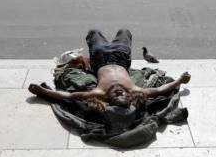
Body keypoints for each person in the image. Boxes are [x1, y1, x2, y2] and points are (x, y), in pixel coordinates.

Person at [28, 28, 191, 108]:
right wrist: (180, 80)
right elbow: (161, 90)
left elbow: (67, 96)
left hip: (100, 58)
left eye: (116, 97)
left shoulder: (99, 94)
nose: (119, 93)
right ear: (129, 98)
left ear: (110, 101)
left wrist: (42, 91)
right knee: (124, 31)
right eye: (122, 96)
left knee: (94, 32)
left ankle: (95, 36)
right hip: (121, 58)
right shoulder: (135, 91)